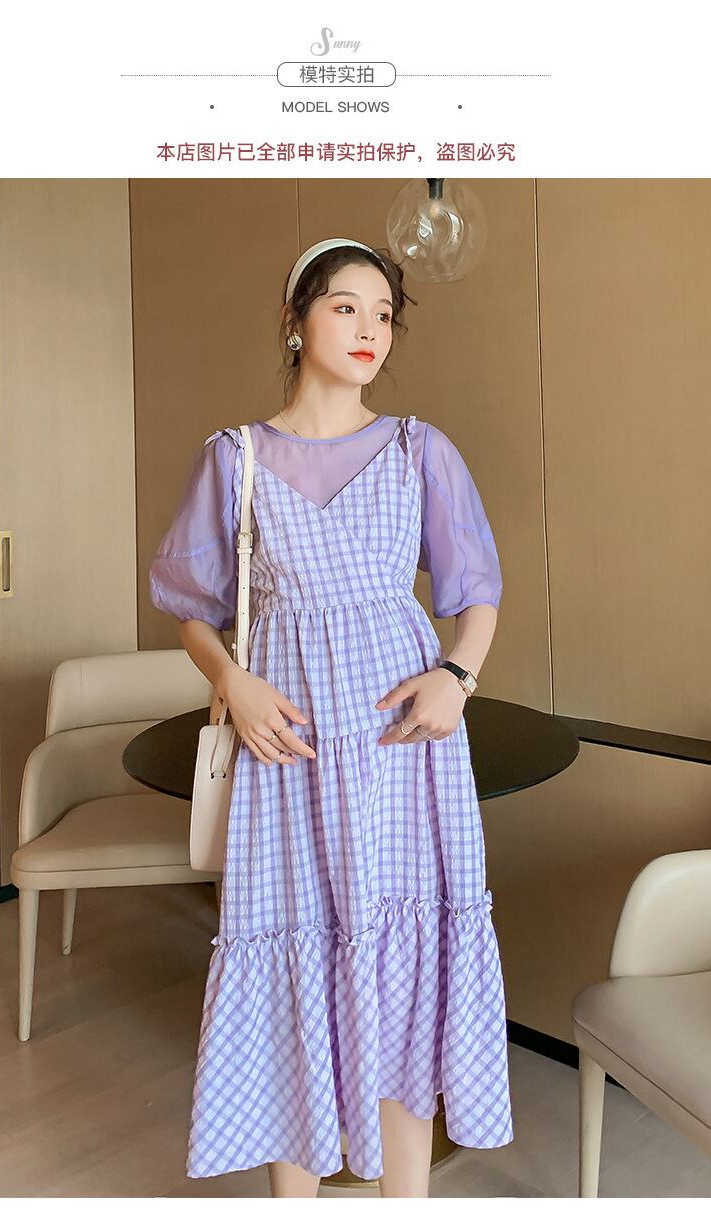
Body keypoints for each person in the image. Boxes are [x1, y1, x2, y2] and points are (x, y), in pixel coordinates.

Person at [149, 237, 514, 1198]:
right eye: (345, 307)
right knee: (295, 968)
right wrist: (233, 681)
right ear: (294, 319)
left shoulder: (420, 450)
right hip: (290, 751)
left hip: (405, 751)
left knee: (404, 972)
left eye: (384, 314)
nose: (369, 330)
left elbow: (476, 591)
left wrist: (458, 677)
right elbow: (191, 608)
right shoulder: (234, 460)